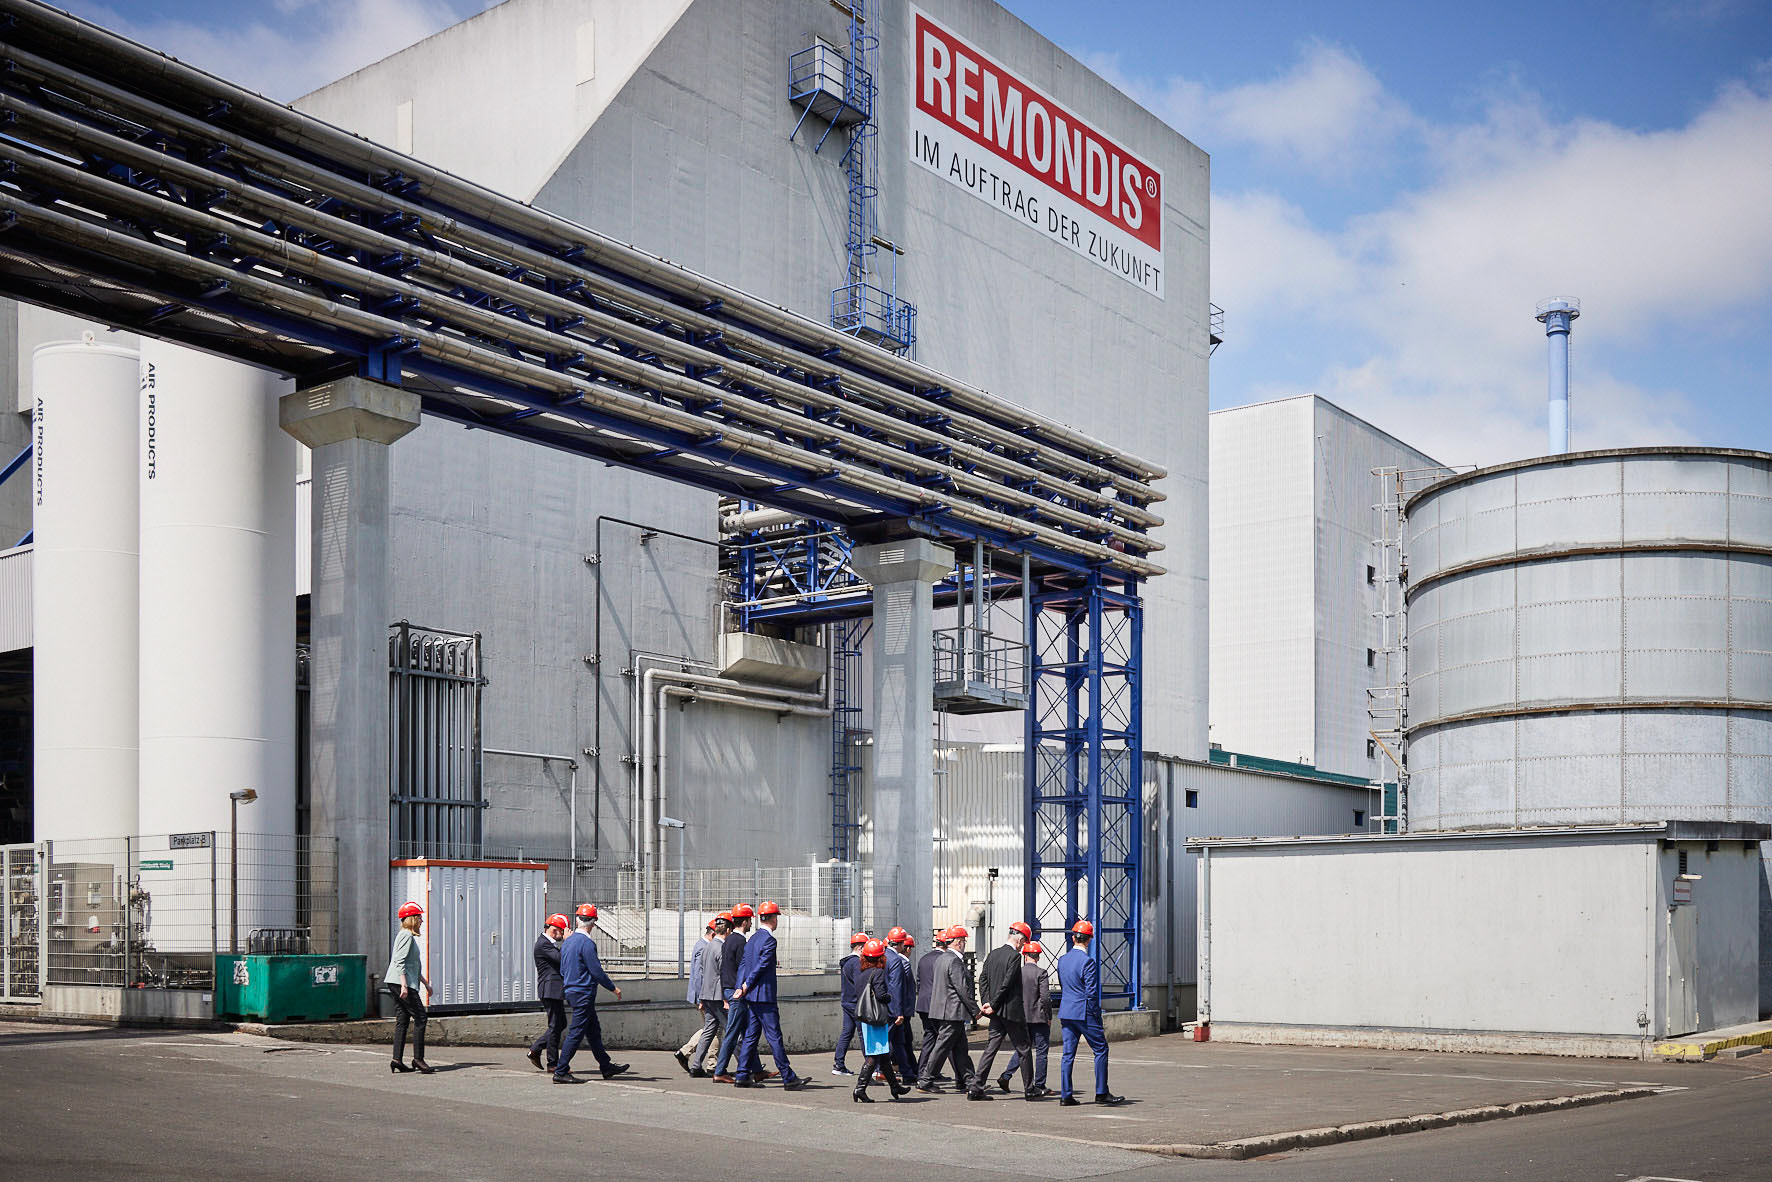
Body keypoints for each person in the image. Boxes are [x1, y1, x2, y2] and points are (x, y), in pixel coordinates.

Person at [732, 900, 808, 1090]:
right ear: (773, 919)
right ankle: (788, 1077)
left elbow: (744, 965)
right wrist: (747, 984)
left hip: (751, 997)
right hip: (764, 997)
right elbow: (762, 965)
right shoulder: (769, 940)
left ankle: (742, 1075)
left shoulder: (753, 939)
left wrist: (740, 986)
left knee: (751, 1036)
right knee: (774, 1037)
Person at [554, 903, 629, 1084]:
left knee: (593, 1030)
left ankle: (606, 1066)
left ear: (577, 920)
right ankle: (561, 1070)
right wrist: (613, 987)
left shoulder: (568, 942)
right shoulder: (587, 943)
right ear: (593, 923)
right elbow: (596, 970)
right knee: (576, 1032)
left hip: (571, 990)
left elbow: (562, 969)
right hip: (583, 992)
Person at [1057, 920, 1123, 1106]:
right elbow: (1092, 992)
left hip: (1067, 1010)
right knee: (1101, 1049)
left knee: (1068, 1054)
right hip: (1084, 1012)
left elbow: (1064, 985)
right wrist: (1096, 1016)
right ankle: (1101, 1092)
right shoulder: (1088, 962)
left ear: (1073, 938)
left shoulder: (1062, 960)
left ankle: (1066, 1094)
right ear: (1089, 940)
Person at [917, 925, 984, 1097]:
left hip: (942, 1010)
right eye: (963, 941)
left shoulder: (941, 958)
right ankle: (926, 1080)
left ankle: (971, 1082)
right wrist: (975, 1010)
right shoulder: (954, 961)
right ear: (959, 942)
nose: (964, 944)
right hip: (952, 1012)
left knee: (960, 1049)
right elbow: (961, 988)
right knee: (942, 1047)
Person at [974, 921, 1034, 1097]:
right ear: (1021, 940)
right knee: (1024, 1049)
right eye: (1024, 943)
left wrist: (987, 1002)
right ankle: (1030, 1089)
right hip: (1011, 1012)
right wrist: (993, 1004)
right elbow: (1007, 984)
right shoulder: (1014, 957)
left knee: (990, 1049)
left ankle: (976, 1087)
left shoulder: (993, 954)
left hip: (996, 1013)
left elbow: (983, 979)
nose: (1023, 947)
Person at [711, 903, 765, 1083]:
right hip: (737, 992)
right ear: (746, 921)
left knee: (746, 1032)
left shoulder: (728, 940)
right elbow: (745, 968)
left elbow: (725, 969)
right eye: (750, 921)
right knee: (734, 1033)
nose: (751, 925)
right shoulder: (741, 942)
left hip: (729, 990)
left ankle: (757, 1071)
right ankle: (720, 1071)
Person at [850, 939, 908, 1102]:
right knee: (874, 1055)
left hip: (866, 1017)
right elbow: (882, 995)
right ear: (880, 957)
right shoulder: (878, 972)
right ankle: (859, 1089)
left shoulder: (861, 972)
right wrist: (889, 997)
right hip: (876, 1018)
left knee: (882, 1054)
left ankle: (894, 1087)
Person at [385, 901, 434, 1074]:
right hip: (401, 983)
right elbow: (399, 961)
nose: (421, 920)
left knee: (403, 1020)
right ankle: (418, 1059)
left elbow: (413, 965)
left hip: (397, 981)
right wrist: (404, 985)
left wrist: (425, 983)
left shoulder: (405, 935)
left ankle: (397, 1059)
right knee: (421, 1017)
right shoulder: (406, 936)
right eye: (419, 917)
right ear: (411, 918)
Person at [1000, 940, 1052, 1099]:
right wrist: (1048, 1016)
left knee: (1023, 1049)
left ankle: (1006, 1075)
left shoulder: (1018, 973)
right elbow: (1045, 997)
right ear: (1037, 957)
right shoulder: (1041, 973)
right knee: (1041, 1051)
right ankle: (1039, 1084)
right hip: (1038, 1018)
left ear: (1024, 956)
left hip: (1021, 1016)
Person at [684, 912, 731, 1077]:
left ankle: (696, 1066)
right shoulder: (719, 948)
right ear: (727, 930)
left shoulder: (708, 947)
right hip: (717, 997)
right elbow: (721, 975)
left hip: (708, 996)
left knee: (709, 1030)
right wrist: (725, 997)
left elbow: (703, 972)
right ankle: (748, 1068)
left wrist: (702, 996)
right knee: (732, 1030)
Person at [526, 912, 570, 1072]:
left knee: (560, 1024)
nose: (564, 934)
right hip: (549, 989)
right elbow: (561, 959)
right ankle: (552, 1063)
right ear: (556, 929)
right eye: (563, 931)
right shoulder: (543, 944)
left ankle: (536, 1049)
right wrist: (567, 942)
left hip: (553, 989)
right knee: (555, 1026)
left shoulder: (548, 943)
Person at [675, 916, 719, 1075]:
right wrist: (701, 998)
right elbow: (699, 975)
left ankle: (709, 1062)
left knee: (712, 1028)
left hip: (703, 995)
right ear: (713, 933)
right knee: (713, 1028)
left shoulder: (702, 945)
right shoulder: (704, 947)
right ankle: (707, 1062)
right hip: (704, 996)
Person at [913, 927, 950, 1083]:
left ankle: (925, 1070)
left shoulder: (924, 959)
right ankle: (929, 1072)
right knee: (944, 1040)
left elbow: (919, 982)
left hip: (923, 1003)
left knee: (930, 1038)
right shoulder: (944, 960)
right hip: (937, 1005)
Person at [884, 928, 918, 1084]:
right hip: (894, 1009)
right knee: (887, 1042)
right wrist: (899, 1012)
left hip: (886, 1006)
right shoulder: (896, 960)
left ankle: (907, 1073)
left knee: (899, 1042)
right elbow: (896, 987)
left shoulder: (883, 957)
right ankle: (875, 1070)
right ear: (902, 944)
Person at [833, 931, 869, 1076]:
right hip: (856, 1004)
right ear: (860, 947)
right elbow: (860, 984)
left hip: (847, 1001)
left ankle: (838, 1064)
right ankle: (869, 1069)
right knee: (864, 1035)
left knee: (846, 1033)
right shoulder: (856, 962)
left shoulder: (846, 962)